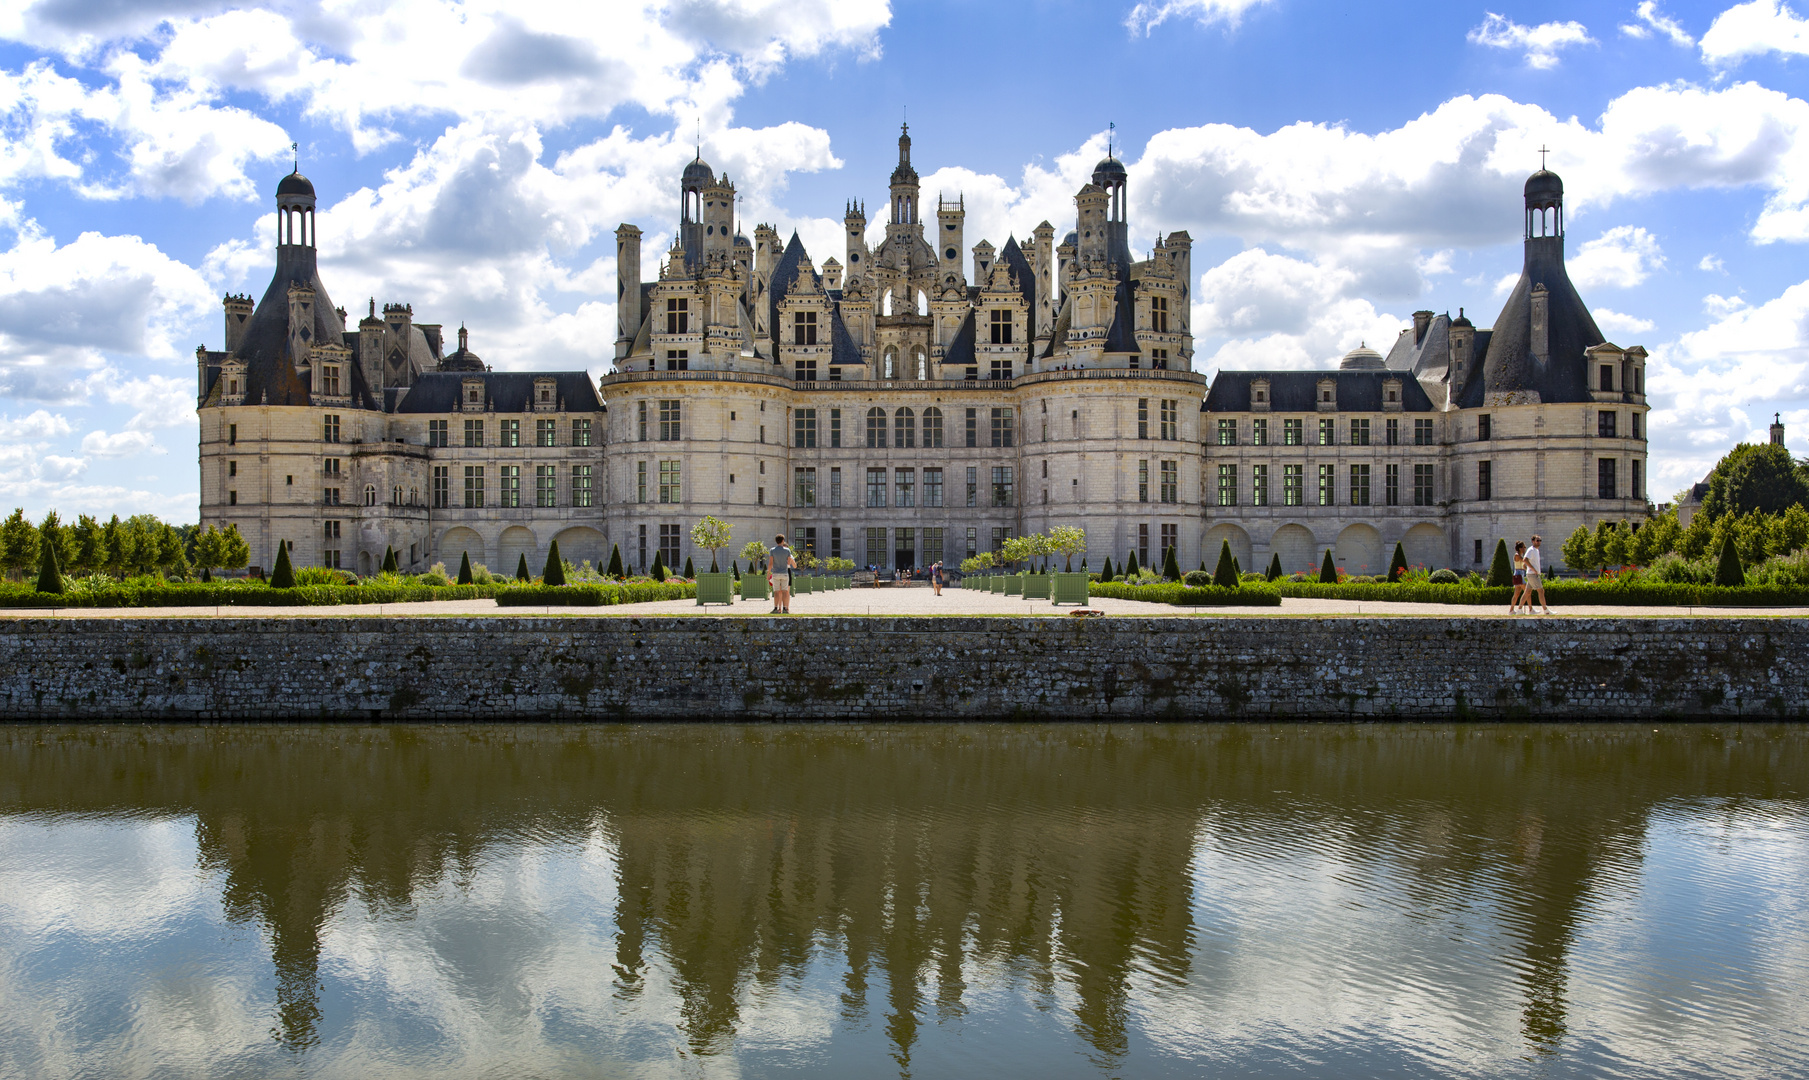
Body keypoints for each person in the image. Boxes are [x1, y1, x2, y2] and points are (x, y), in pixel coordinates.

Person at [768, 534, 796, 615]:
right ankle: (784, 608)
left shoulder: (772, 550)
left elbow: (770, 563)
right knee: (785, 592)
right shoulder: (787, 551)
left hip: (776, 573)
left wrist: (768, 573)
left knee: (777, 592)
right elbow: (788, 563)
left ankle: (777, 608)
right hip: (785, 573)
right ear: (782, 541)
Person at [1525, 534, 1550, 614]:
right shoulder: (1531, 550)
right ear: (1533, 541)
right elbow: (1525, 560)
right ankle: (1546, 610)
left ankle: (1519, 610)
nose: (1539, 542)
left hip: (1532, 574)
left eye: (1540, 540)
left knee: (1527, 592)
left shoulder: (1536, 550)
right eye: (1537, 540)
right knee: (1541, 591)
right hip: (1533, 574)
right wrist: (1533, 569)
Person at [1509, 541, 1528, 614]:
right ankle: (1529, 608)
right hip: (1519, 574)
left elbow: (1523, 566)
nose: (1525, 548)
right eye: (1524, 547)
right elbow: (1524, 561)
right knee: (1527, 591)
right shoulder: (1517, 555)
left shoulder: (1520, 555)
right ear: (1520, 548)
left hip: (1520, 573)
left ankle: (1511, 610)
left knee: (1517, 593)